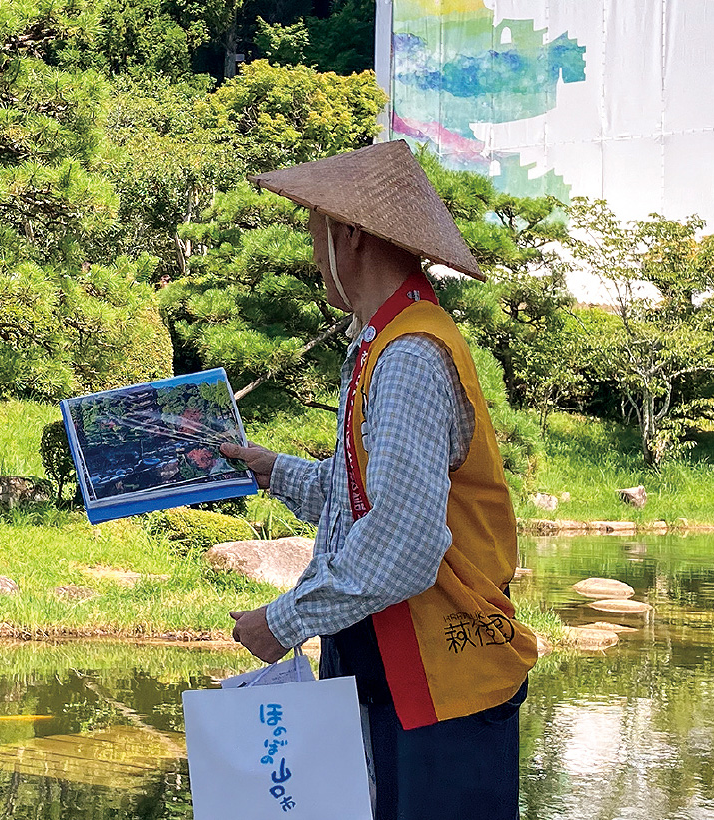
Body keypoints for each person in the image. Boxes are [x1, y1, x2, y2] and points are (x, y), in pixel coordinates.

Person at [219, 141, 537, 820]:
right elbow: (365, 492)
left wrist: (284, 621)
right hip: (400, 674)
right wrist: (273, 471)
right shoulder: (384, 340)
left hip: (442, 682)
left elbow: (402, 536)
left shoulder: (410, 354)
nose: (312, 251)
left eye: (315, 229)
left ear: (350, 234)